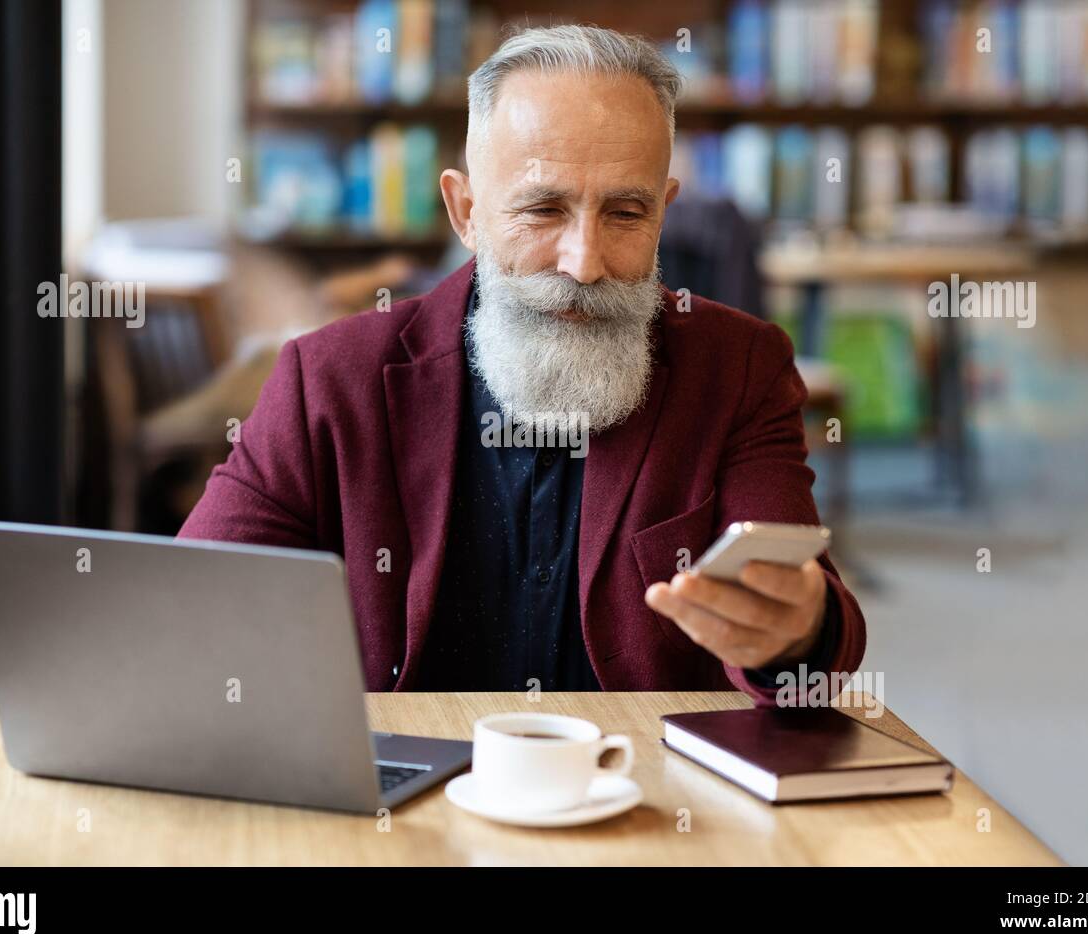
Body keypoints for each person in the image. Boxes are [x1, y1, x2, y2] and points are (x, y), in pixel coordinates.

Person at [179, 25, 865, 704]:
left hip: (648, 795)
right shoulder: (328, 379)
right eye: (543, 209)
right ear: (466, 211)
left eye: (626, 212)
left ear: (665, 211)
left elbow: (812, 635)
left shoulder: (740, 367)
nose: (584, 263)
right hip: (405, 800)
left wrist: (795, 634)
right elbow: (194, 607)